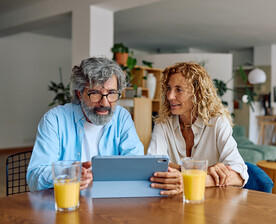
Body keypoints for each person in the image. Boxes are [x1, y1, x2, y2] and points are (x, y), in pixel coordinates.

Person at [27, 57, 174, 192]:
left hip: (112, 204)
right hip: (68, 202)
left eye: (111, 93)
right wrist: (67, 174)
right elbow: (34, 178)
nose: (105, 103)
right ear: (79, 94)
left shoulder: (121, 117)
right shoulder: (55, 120)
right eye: (95, 93)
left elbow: (136, 165)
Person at [148, 62, 249, 189]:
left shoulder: (217, 122)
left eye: (178, 89)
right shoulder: (163, 123)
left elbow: (239, 175)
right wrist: (194, 170)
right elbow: (152, 164)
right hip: (171, 200)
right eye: (168, 88)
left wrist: (187, 180)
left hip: (213, 202)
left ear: (197, 93)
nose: (170, 96)